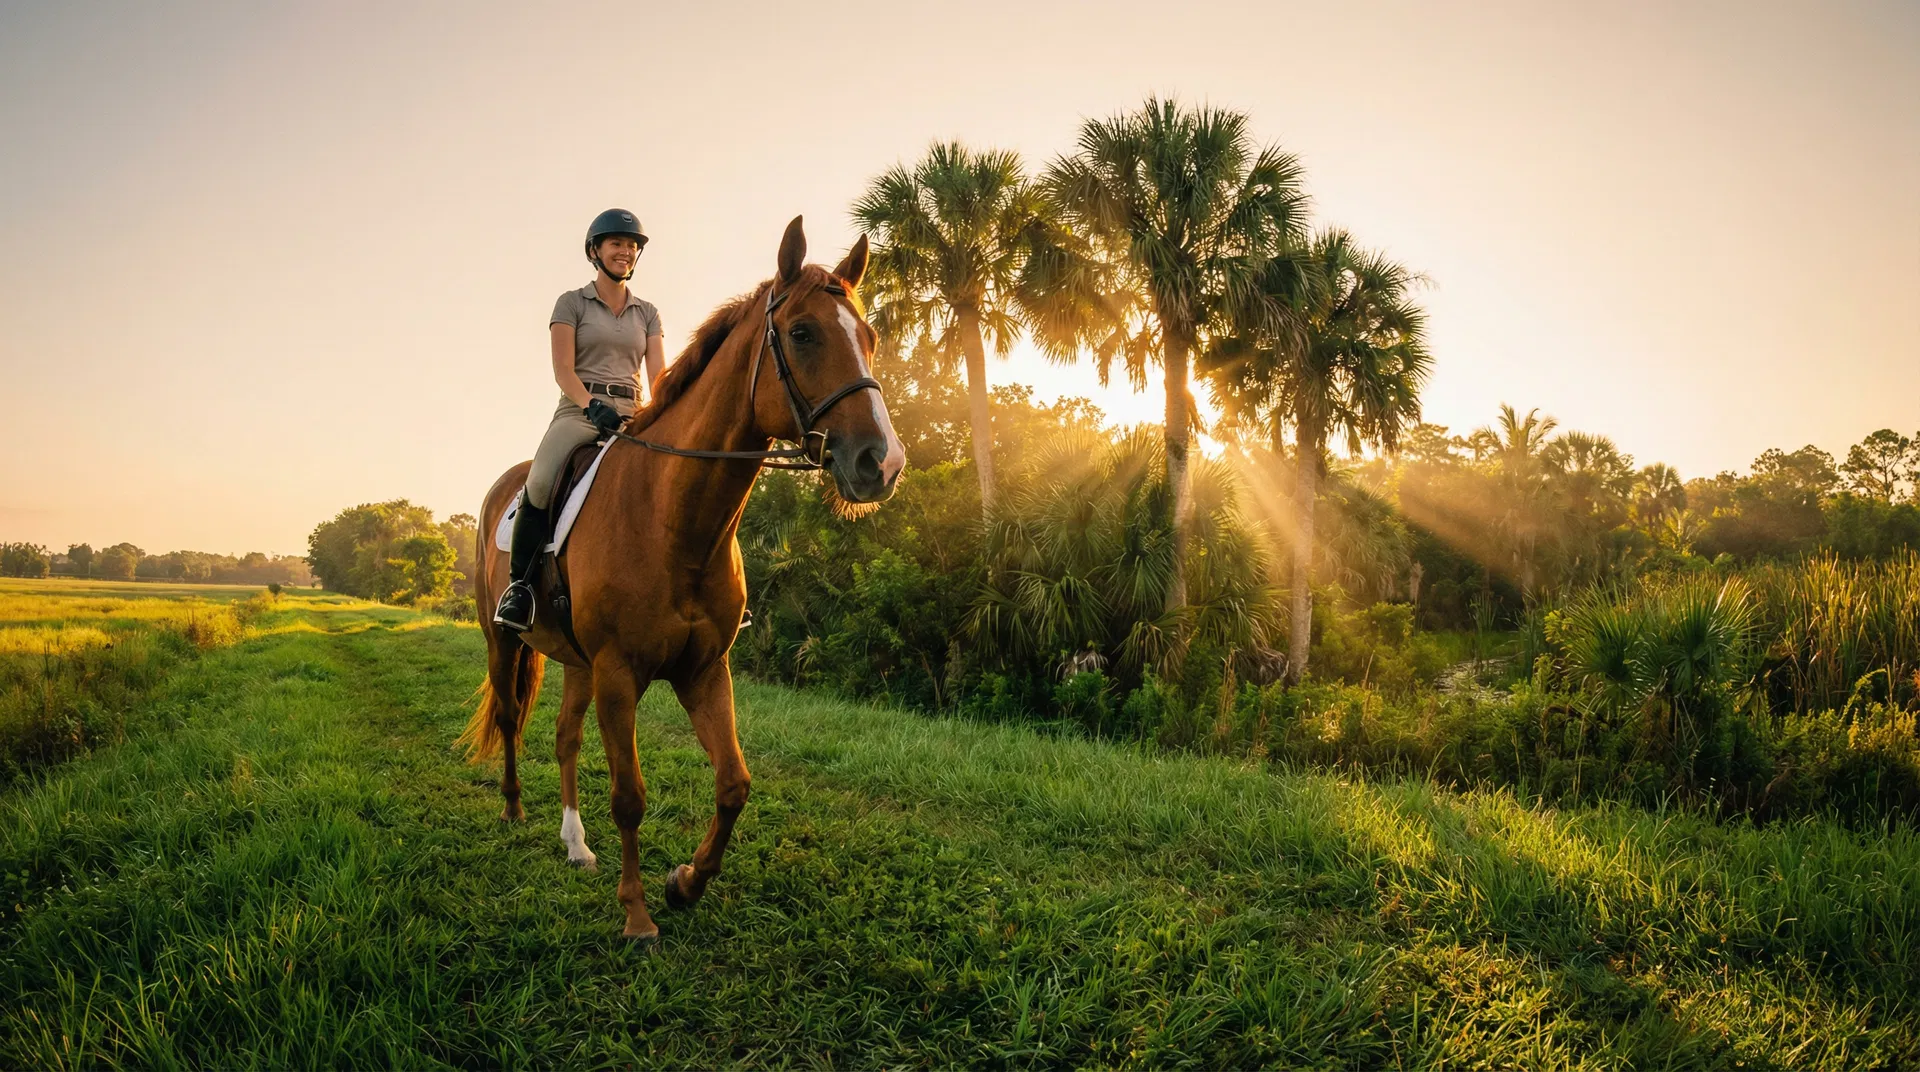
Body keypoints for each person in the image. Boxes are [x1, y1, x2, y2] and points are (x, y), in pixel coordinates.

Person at [494, 209, 665, 631]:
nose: (625, 252)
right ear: (595, 251)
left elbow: (660, 375)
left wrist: (661, 412)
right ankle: (520, 588)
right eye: (616, 244)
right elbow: (563, 371)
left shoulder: (648, 312)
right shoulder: (571, 303)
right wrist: (591, 405)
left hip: (635, 414)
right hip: (581, 410)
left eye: (631, 246)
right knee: (538, 482)